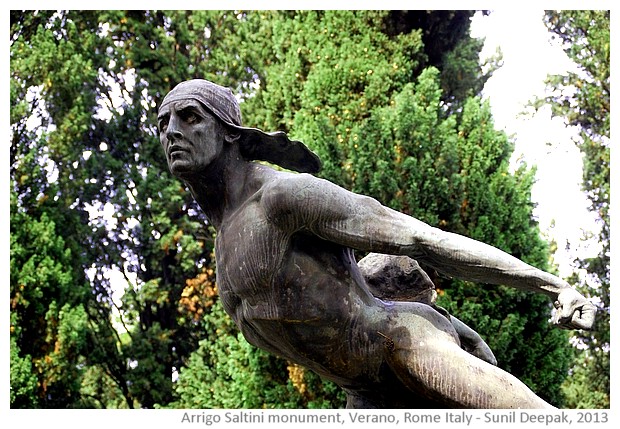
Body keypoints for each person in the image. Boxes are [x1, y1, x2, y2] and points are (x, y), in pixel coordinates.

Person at [157, 79, 596, 408]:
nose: (171, 131)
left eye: (190, 116)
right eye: (163, 122)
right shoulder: (223, 242)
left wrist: (553, 286)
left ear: (230, 132)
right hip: (363, 395)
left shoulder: (281, 198)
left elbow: (423, 238)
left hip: (402, 344)